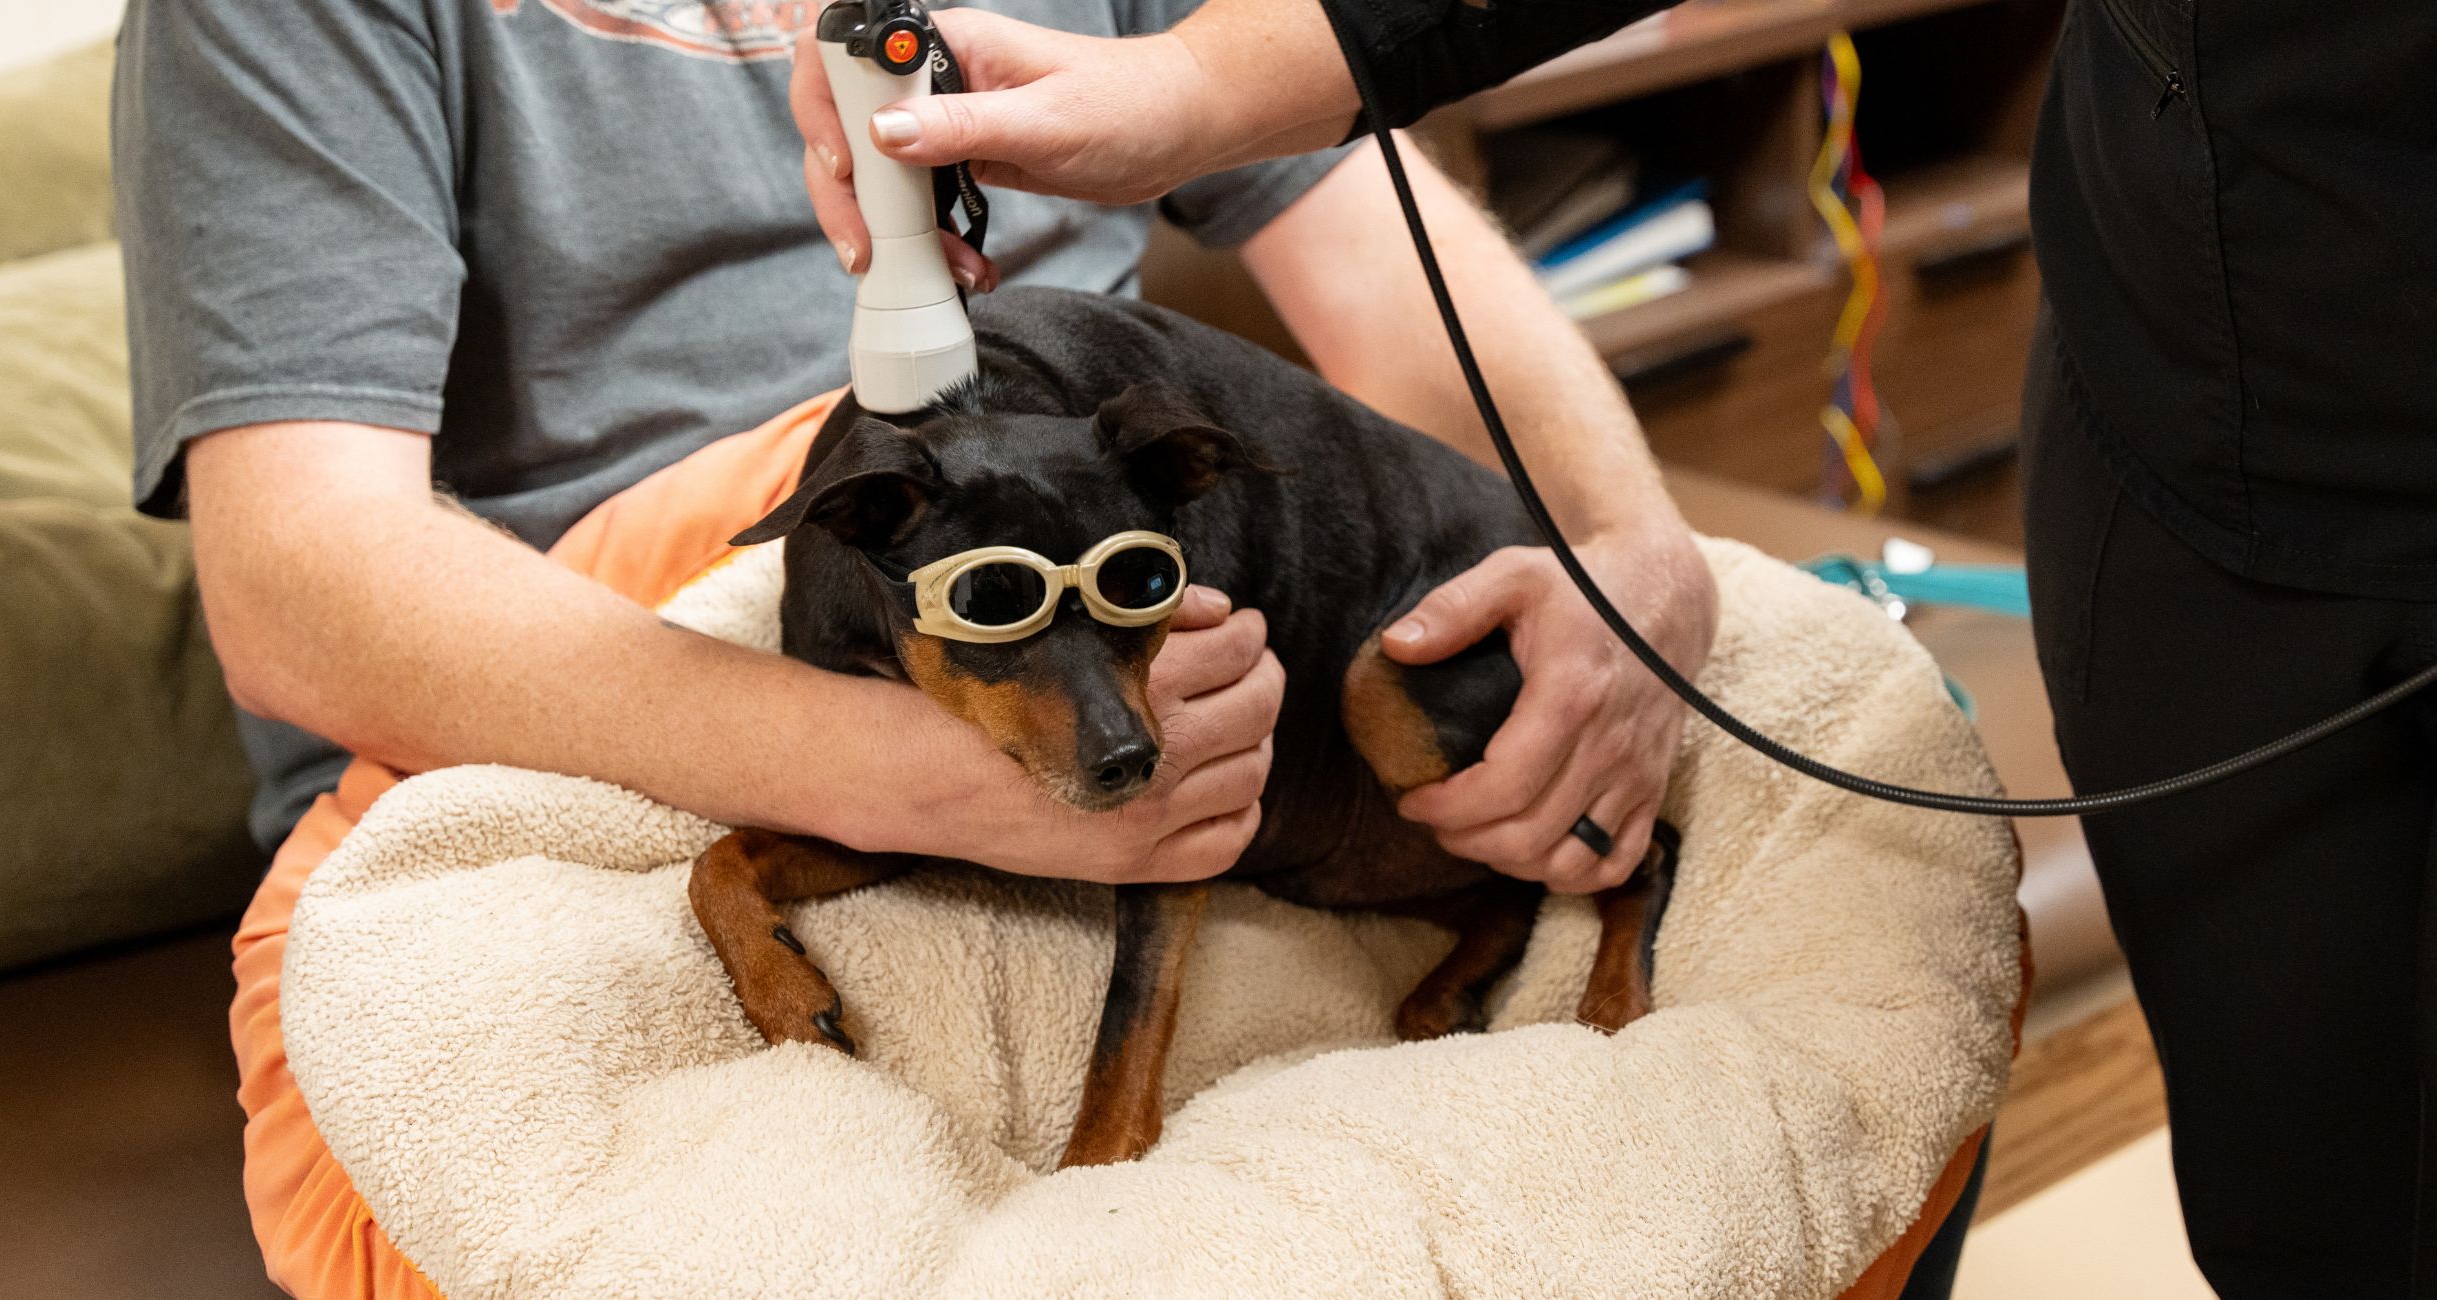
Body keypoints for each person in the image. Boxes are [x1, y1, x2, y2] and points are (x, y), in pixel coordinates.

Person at [799, 0, 2437, 1294]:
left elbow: (1363, 232)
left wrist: (1635, 554)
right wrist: (892, 774)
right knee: (2314, 1199)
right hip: (2214, 404)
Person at [114, 0, 1714, 910]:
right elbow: (298, 585)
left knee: (1847, 821)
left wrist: (1623, 554)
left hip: (1113, 677)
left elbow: (1387, 268)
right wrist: (915, 776)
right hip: (621, 711)